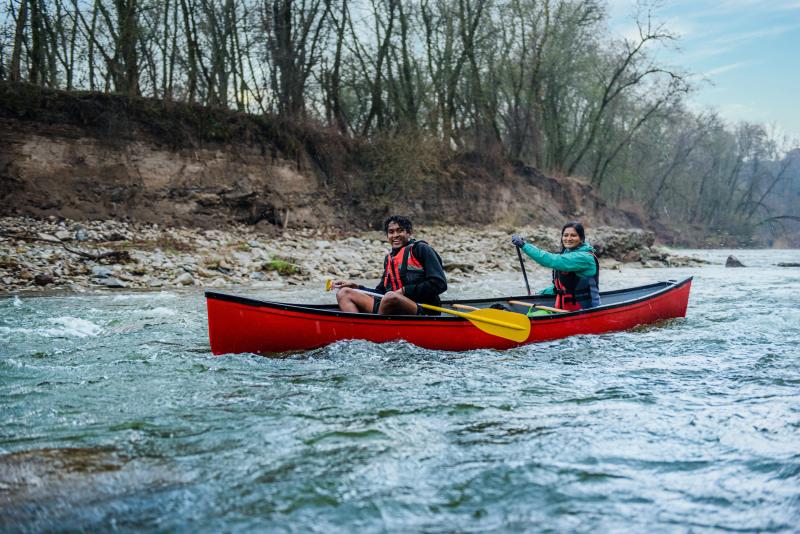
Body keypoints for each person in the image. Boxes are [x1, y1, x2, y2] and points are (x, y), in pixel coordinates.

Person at [331, 215, 447, 315]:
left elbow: (439, 284)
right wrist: (358, 287)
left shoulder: (421, 249)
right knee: (344, 292)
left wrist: (404, 291)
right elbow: (381, 292)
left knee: (391, 297)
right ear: (387, 235)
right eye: (391, 232)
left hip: (422, 308)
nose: (395, 235)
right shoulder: (389, 258)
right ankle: (357, 331)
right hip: (391, 306)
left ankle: (375, 333)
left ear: (409, 233)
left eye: (399, 231)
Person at [511, 221, 600, 311]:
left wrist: (524, 246)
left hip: (585, 310)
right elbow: (561, 287)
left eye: (573, 235)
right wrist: (540, 293)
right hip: (564, 309)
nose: (568, 239)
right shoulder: (566, 254)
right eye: (565, 235)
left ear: (581, 238)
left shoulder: (584, 257)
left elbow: (551, 260)